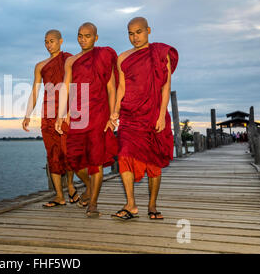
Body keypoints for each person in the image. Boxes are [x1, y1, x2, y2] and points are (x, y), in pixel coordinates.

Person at [111, 17, 178, 220]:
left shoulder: (160, 53)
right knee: (124, 156)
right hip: (129, 115)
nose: (135, 37)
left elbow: (166, 87)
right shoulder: (122, 57)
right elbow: (120, 87)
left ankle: (152, 205)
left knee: (153, 162)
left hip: (153, 115)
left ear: (148, 30)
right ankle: (131, 204)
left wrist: (161, 116)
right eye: (130, 33)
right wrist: (114, 111)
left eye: (138, 32)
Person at [55, 22, 118, 217]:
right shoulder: (71, 61)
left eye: (87, 36)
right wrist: (60, 113)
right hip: (77, 114)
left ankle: (93, 204)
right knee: (74, 159)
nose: (83, 39)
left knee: (95, 160)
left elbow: (111, 87)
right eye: (80, 36)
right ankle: (90, 187)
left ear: (95, 37)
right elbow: (66, 87)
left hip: (99, 112)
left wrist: (112, 114)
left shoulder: (103, 55)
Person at [22, 29, 79, 207]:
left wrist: (70, 113)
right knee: (52, 154)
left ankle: (70, 186)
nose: (49, 45)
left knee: (67, 152)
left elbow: (75, 85)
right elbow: (35, 91)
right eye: (46, 41)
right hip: (48, 113)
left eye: (52, 41)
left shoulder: (69, 60)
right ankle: (59, 196)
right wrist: (27, 115)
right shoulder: (40, 66)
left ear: (61, 41)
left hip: (65, 112)